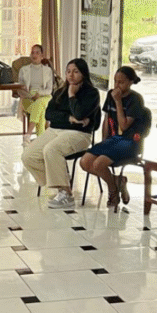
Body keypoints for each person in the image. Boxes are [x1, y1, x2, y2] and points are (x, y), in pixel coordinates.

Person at [21, 58, 100, 209]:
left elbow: (79, 113)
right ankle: (61, 184)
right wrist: (69, 118)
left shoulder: (92, 93)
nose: (71, 75)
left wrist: (72, 95)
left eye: (76, 72)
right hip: (56, 130)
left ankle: (66, 193)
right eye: (68, 71)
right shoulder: (59, 92)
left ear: (83, 74)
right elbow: (49, 115)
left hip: (80, 134)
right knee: (28, 156)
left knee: (51, 150)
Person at [79, 66, 147, 210]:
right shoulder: (111, 94)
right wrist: (104, 141)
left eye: (121, 82)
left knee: (98, 164)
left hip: (130, 142)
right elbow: (106, 119)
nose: (117, 86)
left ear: (130, 82)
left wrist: (118, 102)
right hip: (113, 140)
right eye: (115, 81)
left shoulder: (135, 99)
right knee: (85, 162)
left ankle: (113, 191)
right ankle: (118, 181)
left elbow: (124, 126)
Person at [17, 44, 55, 144]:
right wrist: (30, 95)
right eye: (32, 52)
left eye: (37, 52)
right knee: (40, 111)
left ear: (42, 55)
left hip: (44, 97)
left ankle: (28, 135)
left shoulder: (48, 70)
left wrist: (39, 94)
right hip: (28, 98)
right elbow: (19, 89)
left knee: (40, 103)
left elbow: (49, 90)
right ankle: (40, 140)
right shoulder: (23, 70)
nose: (34, 55)